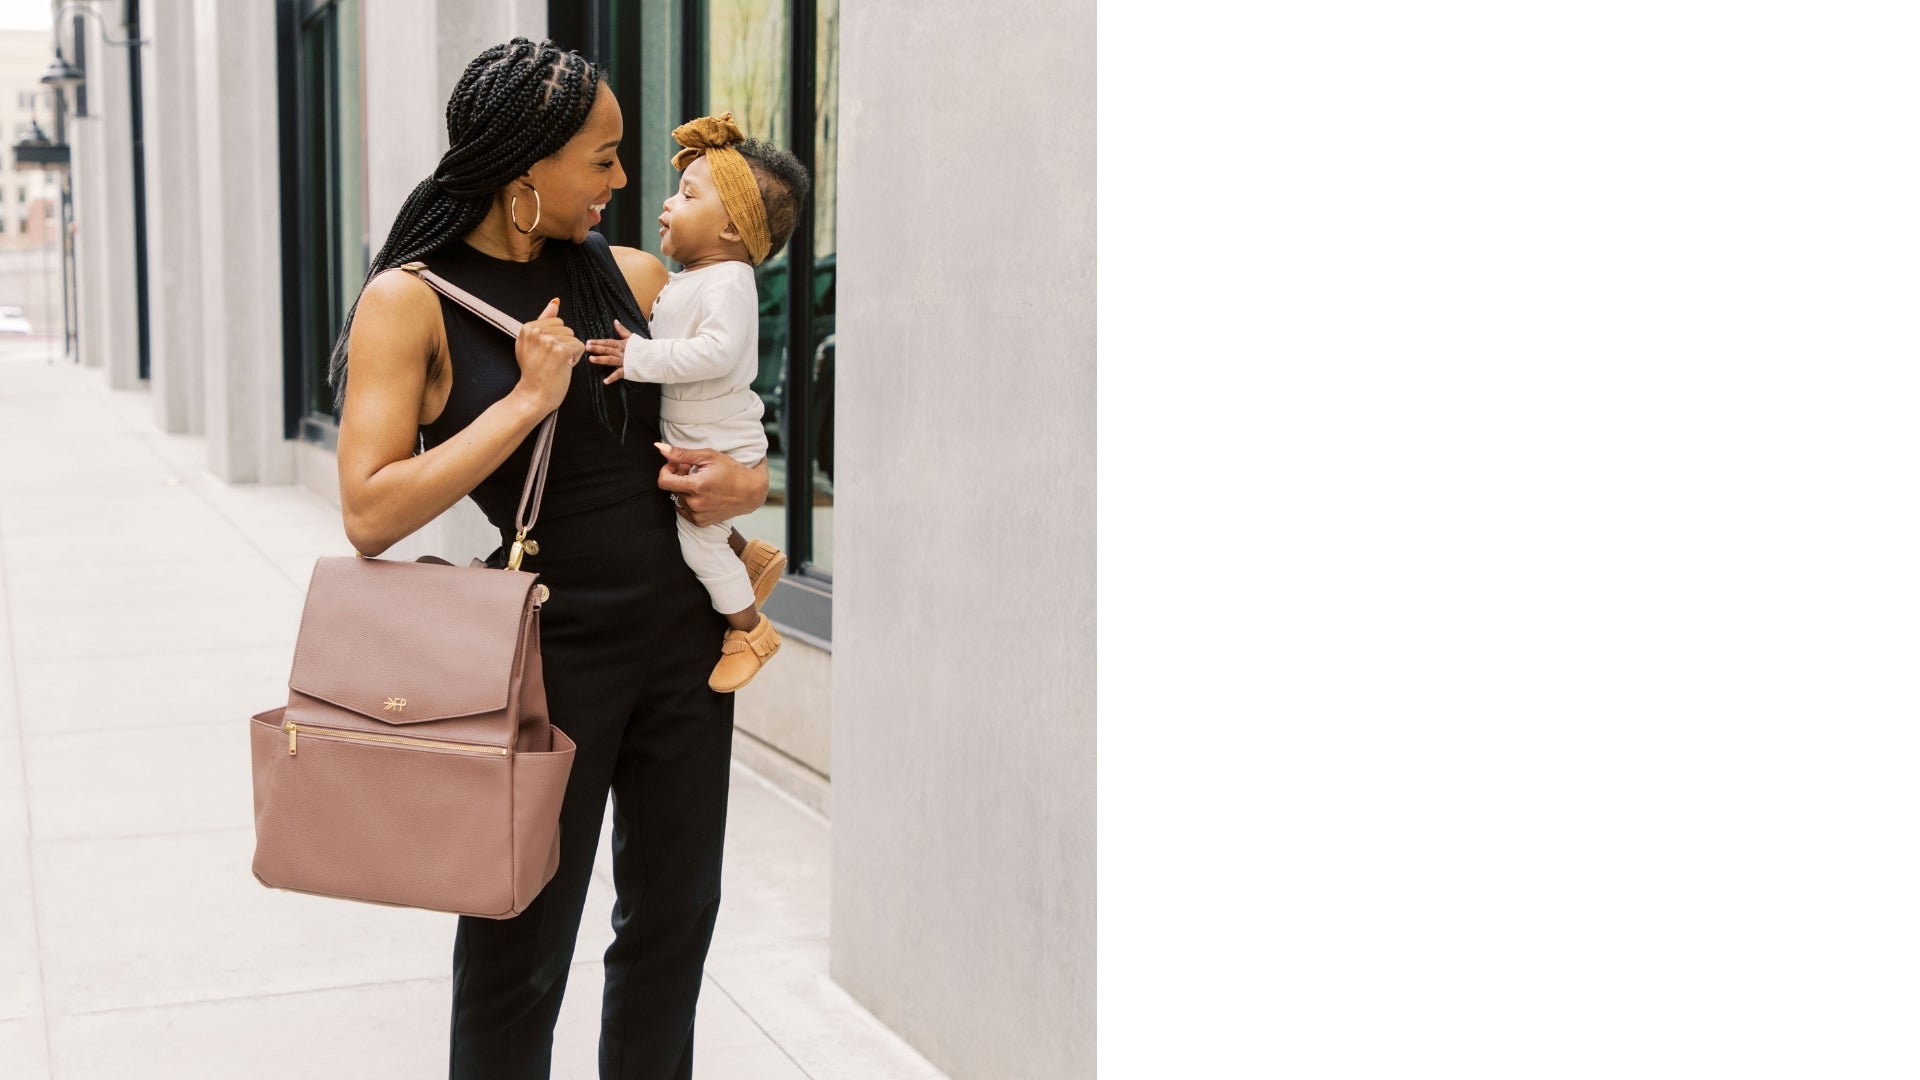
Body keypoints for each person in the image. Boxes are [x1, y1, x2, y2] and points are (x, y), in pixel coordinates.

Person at [330, 38, 767, 1080]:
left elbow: (728, 428)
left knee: (673, 928)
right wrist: (531, 399)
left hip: (685, 650)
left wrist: (746, 486)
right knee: (519, 947)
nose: (625, 183)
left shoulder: (636, 278)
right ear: (529, 169)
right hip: (545, 660)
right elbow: (368, 509)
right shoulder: (412, 300)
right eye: (604, 160)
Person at [584, 112, 811, 694]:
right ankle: (752, 560)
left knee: (697, 540)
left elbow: (712, 353)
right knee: (705, 527)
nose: (667, 201)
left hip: (720, 435)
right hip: (700, 429)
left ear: (732, 229)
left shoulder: (730, 281)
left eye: (688, 194)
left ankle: (749, 631)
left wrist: (637, 357)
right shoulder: (692, 280)